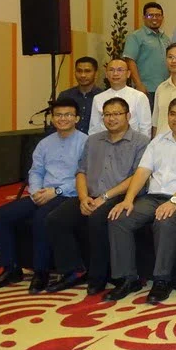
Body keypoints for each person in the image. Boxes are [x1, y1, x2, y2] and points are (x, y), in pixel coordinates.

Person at [106, 96, 176, 304]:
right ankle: (128, 279)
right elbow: (142, 171)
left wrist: (173, 202)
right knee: (119, 218)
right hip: (153, 197)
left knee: (165, 221)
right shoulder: (158, 141)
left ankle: (161, 280)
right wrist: (128, 199)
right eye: (172, 114)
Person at [0, 98, 88, 294]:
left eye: (68, 115)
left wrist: (56, 191)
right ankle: (11, 268)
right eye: (58, 115)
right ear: (52, 118)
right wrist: (37, 191)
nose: (63, 119)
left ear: (77, 118)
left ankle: (41, 271)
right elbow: (36, 171)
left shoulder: (86, 142)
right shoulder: (45, 144)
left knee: (42, 218)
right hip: (41, 193)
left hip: (68, 195)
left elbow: (85, 175)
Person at [45, 97, 149, 295]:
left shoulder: (141, 142)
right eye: (107, 115)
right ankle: (73, 270)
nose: (111, 119)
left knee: (97, 219)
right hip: (90, 195)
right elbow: (81, 171)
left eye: (116, 114)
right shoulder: (93, 140)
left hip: (121, 195)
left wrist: (105, 197)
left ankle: (98, 276)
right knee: (56, 219)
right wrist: (83, 198)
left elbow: (138, 176)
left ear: (128, 116)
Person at [122, 2, 171, 107]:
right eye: (150, 15)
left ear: (162, 18)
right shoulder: (136, 37)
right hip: (146, 89)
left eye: (158, 15)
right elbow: (130, 61)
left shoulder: (166, 38)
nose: (154, 18)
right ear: (144, 17)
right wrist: (139, 84)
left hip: (165, 89)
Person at [88, 59, 152, 137]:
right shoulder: (98, 98)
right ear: (106, 74)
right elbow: (94, 129)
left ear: (128, 74)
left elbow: (145, 127)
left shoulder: (139, 96)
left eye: (120, 70)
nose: (115, 73)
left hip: (132, 144)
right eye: (111, 70)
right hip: (105, 144)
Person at [57, 56, 103, 134]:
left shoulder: (103, 96)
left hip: (95, 142)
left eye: (87, 71)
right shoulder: (65, 96)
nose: (83, 75)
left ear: (96, 73)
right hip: (69, 142)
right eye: (79, 71)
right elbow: (57, 121)